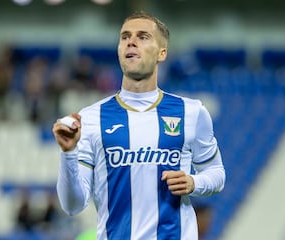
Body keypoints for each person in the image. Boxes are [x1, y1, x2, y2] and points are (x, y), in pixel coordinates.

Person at [52, 11, 225, 240]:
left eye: (143, 37)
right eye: (125, 37)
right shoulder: (91, 118)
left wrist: (194, 182)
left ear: (162, 53)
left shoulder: (191, 112)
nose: (131, 41)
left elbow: (216, 173)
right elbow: (72, 205)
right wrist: (69, 154)